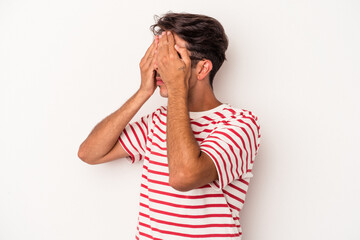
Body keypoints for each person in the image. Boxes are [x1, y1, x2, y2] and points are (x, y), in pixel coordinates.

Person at [78, 12, 261, 240]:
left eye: (172, 56)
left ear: (203, 69)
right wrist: (143, 92)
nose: (161, 66)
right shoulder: (158, 121)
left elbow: (183, 177)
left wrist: (176, 88)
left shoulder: (240, 124)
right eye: (160, 55)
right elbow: (89, 153)